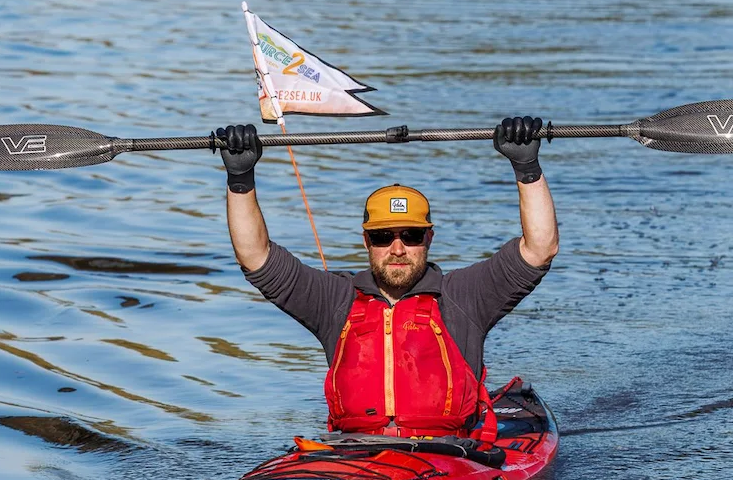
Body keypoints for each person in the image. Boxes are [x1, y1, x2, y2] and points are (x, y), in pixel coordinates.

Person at [215, 116, 558, 442]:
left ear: (428, 240)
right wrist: (240, 179)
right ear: (366, 242)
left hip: (450, 453)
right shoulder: (334, 300)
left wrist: (526, 167)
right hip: (354, 450)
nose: (397, 248)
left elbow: (539, 249)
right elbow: (256, 257)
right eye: (382, 237)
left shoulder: (464, 296)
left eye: (410, 235)